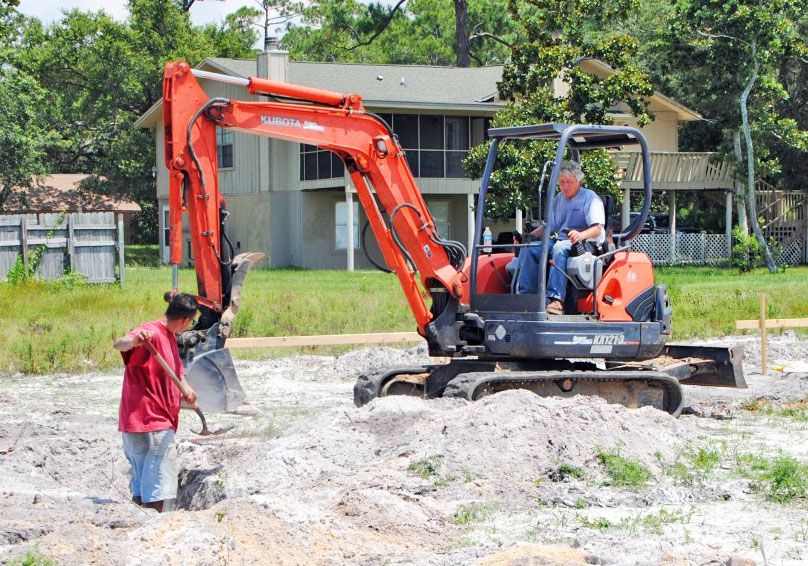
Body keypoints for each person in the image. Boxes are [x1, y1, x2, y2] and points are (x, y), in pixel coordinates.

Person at [113, 292, 200, 512]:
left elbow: (177, 372)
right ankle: (154, 531)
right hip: (151, 421)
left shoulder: (169, 336)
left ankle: (138, 525)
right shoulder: (150, 333)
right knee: (158, 487)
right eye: (191, 323)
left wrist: (186, 389)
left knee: (143, 486)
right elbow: (121, 344)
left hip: (140, 421)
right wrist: (134, 340)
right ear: (185, 320)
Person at [515, 161, 605, 315]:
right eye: (562, 182)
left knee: (559, 248)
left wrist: (580, 234)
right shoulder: (559, 198)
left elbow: (597, 229)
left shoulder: (590, 198)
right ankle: (526, 297)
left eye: (569, 182)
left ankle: (556, 300)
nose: (565, 186)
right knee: (531, 248)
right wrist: (530, 235)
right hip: (563, 241)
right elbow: (549, 225)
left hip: (586, 244)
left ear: (578, 181)